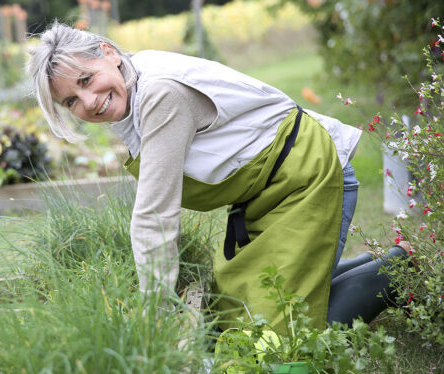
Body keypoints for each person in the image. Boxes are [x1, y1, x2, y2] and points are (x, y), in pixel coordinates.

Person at [26, 22, 409, 332]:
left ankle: (402, 271)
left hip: (309, 176)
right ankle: (374, 263)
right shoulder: (133, 84)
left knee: (277, 336)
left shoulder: (160, 94)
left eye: (86, 80)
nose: (89, 101)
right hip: (268, 192)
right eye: (71, 101)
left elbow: (154, 215)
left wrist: (153, 316)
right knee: (235, 314)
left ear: (108, 54)